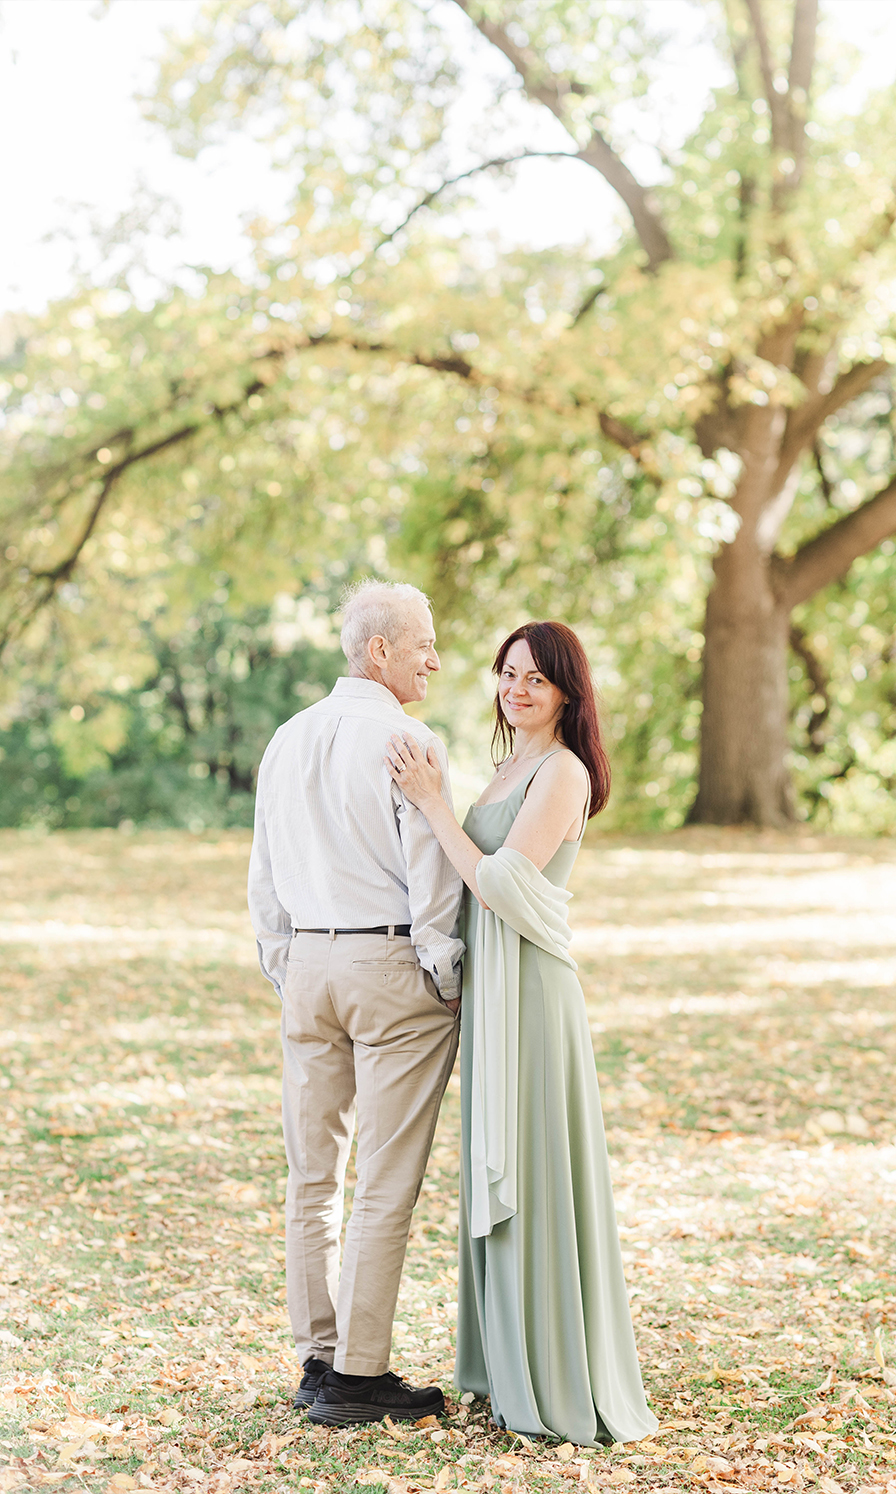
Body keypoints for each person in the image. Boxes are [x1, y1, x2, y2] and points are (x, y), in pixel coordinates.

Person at [385, 620, 657, 1446]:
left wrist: (432, 803)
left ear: (568, 692)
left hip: (534, 996)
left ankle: (552, 1376)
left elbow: (502, 881)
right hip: (493, 990)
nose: (518, 690)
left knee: (536, 1172)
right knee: (496, 1169)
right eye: (509, 675)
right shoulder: (509, 766)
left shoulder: (564, 771)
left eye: (537, 679)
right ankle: (505, 1368)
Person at [247, 579, 463, 1426]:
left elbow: (263, 869)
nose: (435, 659)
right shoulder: (409, 740)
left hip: (307, 964)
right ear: (381, 651)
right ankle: (360, 1377)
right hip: (389, 965)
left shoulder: (286, 739)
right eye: (423, 645)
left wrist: (284, 963)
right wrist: (442, 977)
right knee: (383, 1180)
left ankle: (317, 1359)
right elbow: (433, 878)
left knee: (314, 1173)